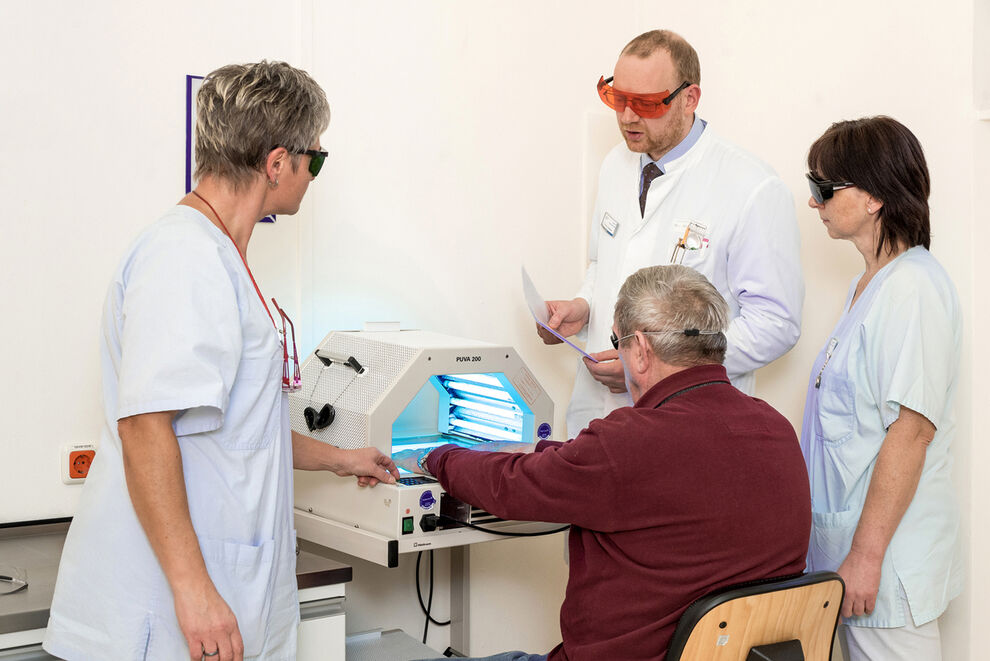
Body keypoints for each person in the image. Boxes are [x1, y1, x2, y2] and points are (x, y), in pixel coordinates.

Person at [43, 61, 399, 661]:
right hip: (160, 615)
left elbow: (238, 432)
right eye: (316, 157)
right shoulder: (185, 256)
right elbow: (145, 427)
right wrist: (193, 591)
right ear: (277, 162)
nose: (314, 174)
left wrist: (340, 459)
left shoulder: (218, 255)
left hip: (221, 594)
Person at [398, 265, 811, 661]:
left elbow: (510, 487)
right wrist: (543, 453)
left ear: (642, 351)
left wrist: (432, 456)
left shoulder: (631, 441)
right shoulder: (775, 428)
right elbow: (609, 468)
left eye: (619, 345)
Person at [539, 29, 803, 438]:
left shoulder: (751, 187)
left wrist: (661, 364)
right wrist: (583, 305)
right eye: (617, 98)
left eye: (645, 103)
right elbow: (604, 263)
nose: (627, 117)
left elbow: (776, 323)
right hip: (599, 415)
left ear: (689, 98)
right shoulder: (616, 165)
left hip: (691, 426)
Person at [801, 116, 962, 660]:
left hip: (885, 563)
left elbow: (912, 431)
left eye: (823, 188)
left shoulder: (912, 288)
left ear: (872, 197)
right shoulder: (868, 286)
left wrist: (866, 557)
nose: (813, 202)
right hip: (848, 555)